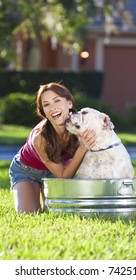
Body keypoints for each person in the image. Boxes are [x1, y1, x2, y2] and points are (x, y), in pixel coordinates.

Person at [9, 82, 96, 214]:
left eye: (57, 101)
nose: (52, 108)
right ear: (43, 111)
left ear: (69, 103)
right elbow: (63, 178)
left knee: (58, 211)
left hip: (56, 171)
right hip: (27, 171)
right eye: (46, 104)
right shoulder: (40, 138)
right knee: (28, 213)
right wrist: (82, 148)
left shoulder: (82, 125)